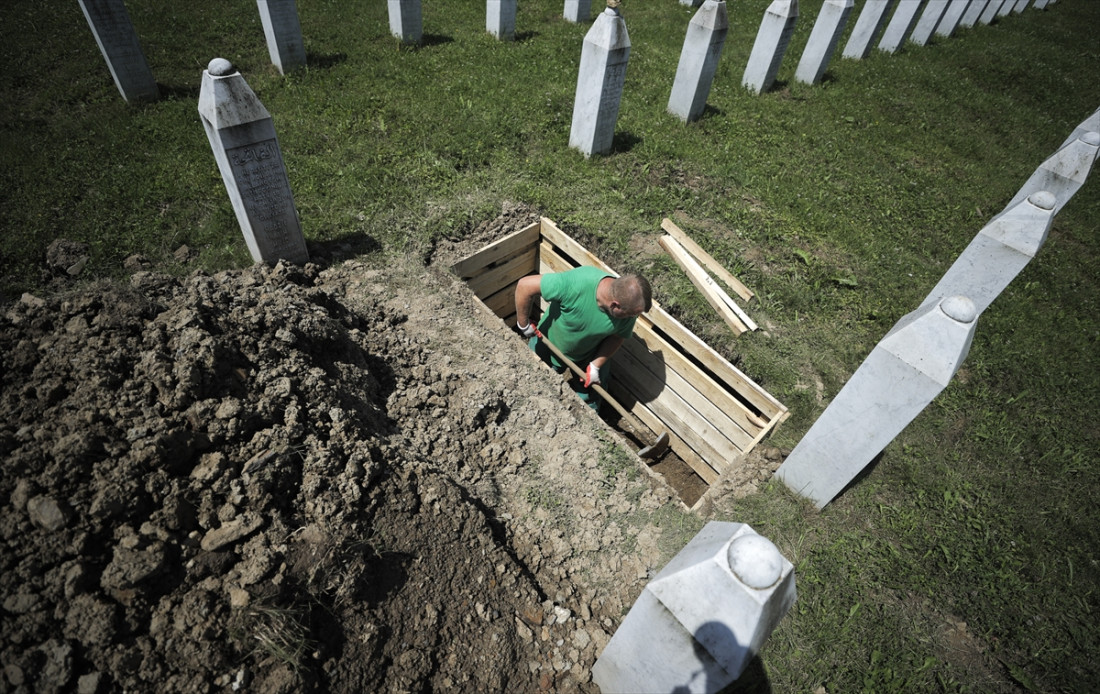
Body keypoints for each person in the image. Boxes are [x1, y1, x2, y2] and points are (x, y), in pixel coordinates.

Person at [514, 266, 652, 410]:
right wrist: (523, 325)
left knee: (591, 399)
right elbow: (525, 285)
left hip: (589, 354)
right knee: (531, 382)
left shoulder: (628, 309)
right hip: (549, 343)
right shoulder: (577, 284)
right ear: (614, 305)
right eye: (632, 314)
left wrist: (595, 365)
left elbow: (617, 337)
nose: (634, 318)